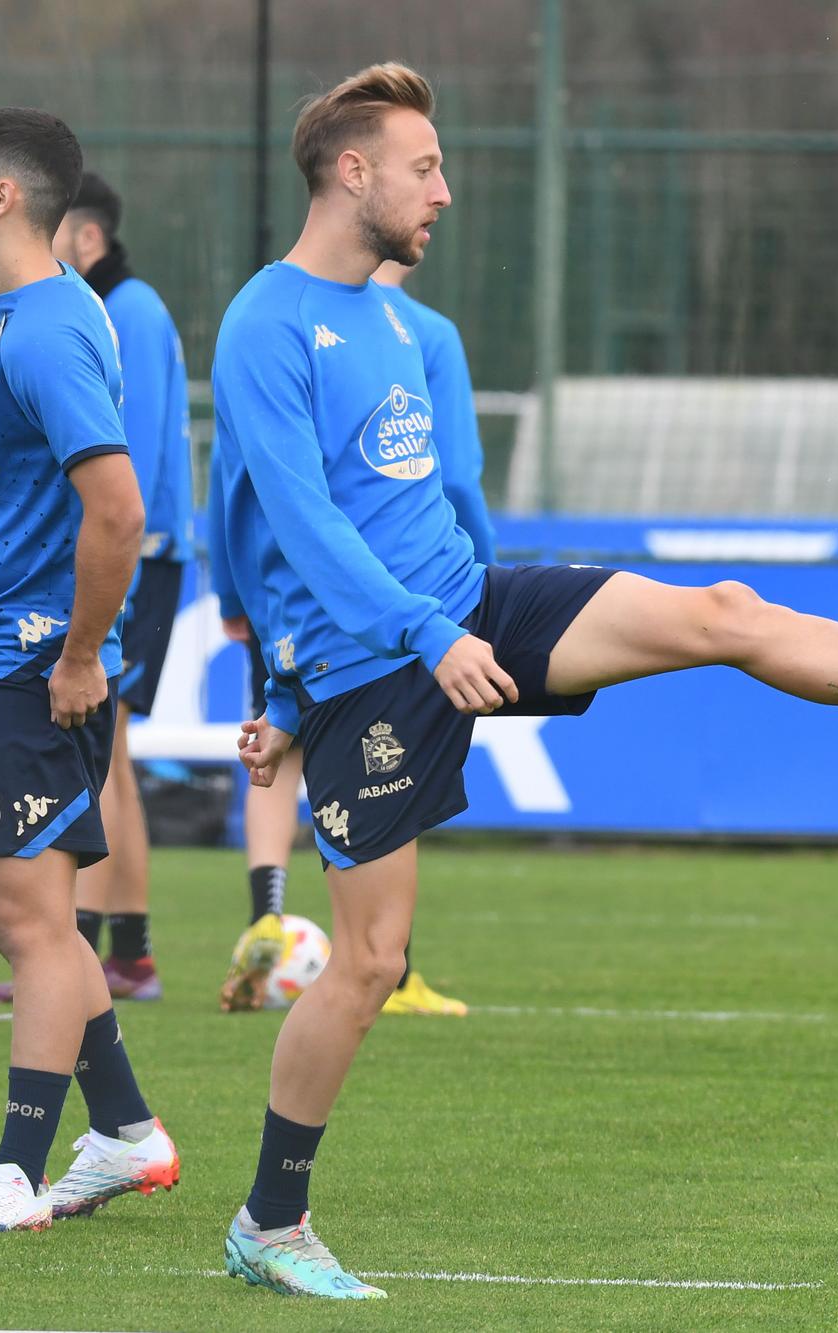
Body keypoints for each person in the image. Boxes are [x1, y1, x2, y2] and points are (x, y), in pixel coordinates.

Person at [210, 63, 838, 1298]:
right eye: (425, 166)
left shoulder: (391, 316)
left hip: (475, 605)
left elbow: (423, 502)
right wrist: (378, 655)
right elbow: (299, 523)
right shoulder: (267, 321)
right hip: (379, 660)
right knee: (370, 963)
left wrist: (465, 609)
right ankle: (268, 1221)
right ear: (352, 170)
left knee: (726, 613)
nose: (445, 189)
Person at [0, 108, 177, 1233]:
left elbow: (117, 509)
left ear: (6, 198)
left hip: (32, 664)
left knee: (31, 920)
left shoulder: (44, 331)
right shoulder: (8, 317)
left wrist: (79, 654)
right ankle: (124, 1130)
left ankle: (17, 1172)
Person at [212, 258, 488, 1019]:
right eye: (424, 172)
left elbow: (231, 472)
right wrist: (483, 579)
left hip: (285, 598)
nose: (436, 198)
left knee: (279, 742)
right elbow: (454, 475)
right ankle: (396, 968)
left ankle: (266, 908)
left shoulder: (264, 319)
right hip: (402, 601)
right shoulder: (426, 333)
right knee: (390, 771)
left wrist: (232, 589)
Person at [0, 173, 194, 1005]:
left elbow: (122, 466)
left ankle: (90, 954)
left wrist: (116, 555)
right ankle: (120, 954)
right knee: (117, 759)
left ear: (89, 240)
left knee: (104, 754)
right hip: (144, 549)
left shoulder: (126, 312)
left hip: (138, 553)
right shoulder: (115, 310)